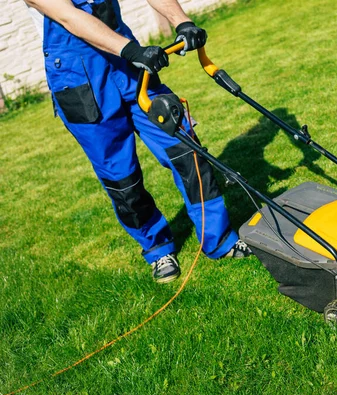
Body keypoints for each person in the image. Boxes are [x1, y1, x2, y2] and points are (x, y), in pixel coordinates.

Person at [24, 0, 252, 284]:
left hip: (130, 66)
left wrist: (182, 21)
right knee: (122, 179)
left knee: (186, 150)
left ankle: (218, 239)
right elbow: (69, 17)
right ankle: (157, 248)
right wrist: (132, 50)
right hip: (80, 80)